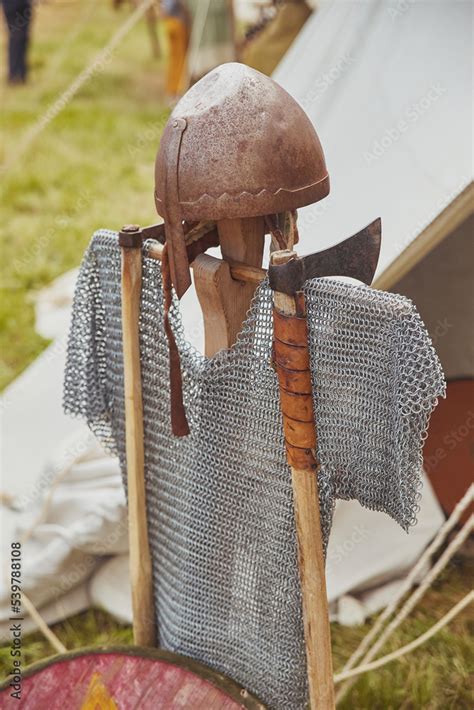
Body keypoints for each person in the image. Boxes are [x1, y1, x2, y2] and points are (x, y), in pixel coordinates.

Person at [160, 0, 190, 103]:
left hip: (172, 23)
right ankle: (174, 92)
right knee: (178, 60)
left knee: (176, 59)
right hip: (177, 24)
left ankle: (173, 91)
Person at [1, 0, 33, 84]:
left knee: (22, 38)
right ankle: (14, 75)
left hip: (23, 4)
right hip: (12, 5)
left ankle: (21, 74)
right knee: (16, 38)